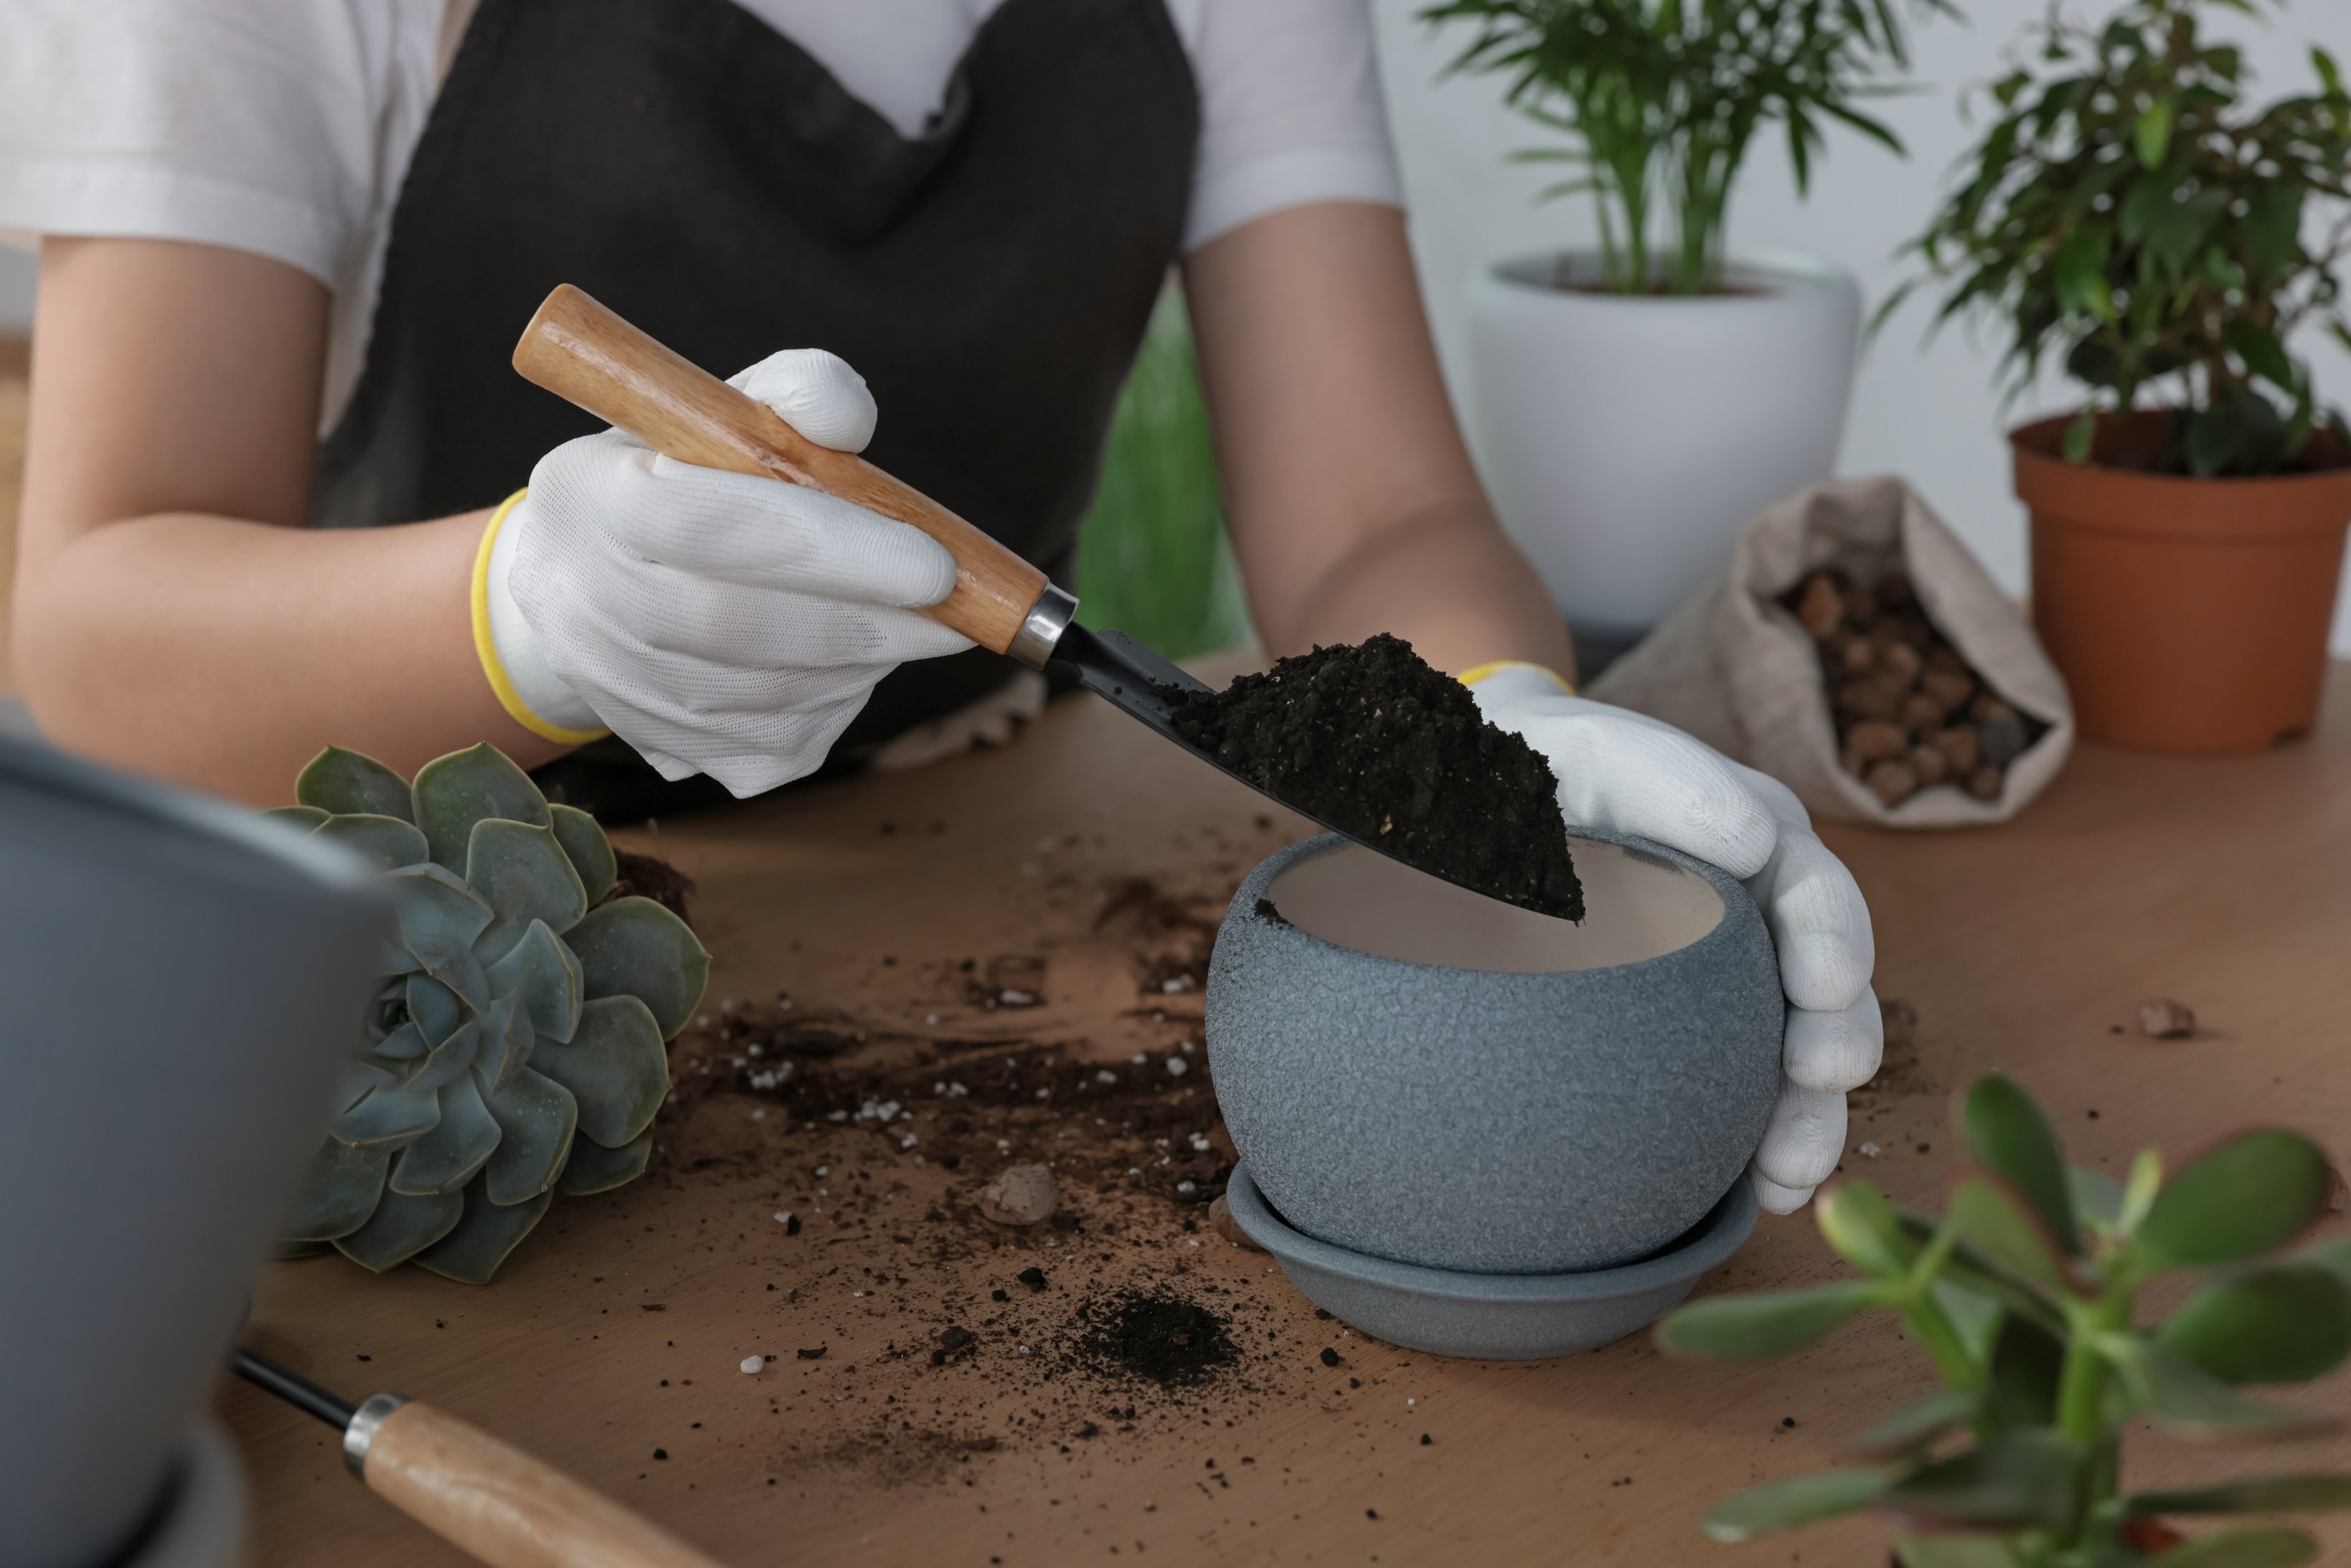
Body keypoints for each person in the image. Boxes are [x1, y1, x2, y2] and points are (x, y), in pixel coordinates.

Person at [0, 0, 1877, 1212]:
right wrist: (528, 611)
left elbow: (1377, 514)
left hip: (962, 886)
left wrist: (1496, 716)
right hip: (395, 1036)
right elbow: (91, 645)